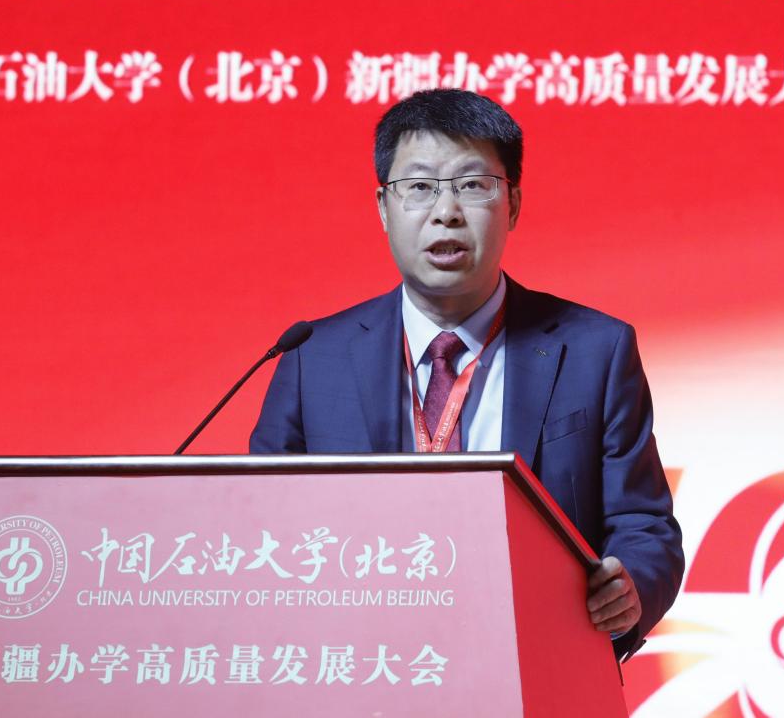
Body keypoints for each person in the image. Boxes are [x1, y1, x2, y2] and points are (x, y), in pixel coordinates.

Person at [250, 89, 682, 659]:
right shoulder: (313, 357)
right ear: (383, 207)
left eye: (473, 185)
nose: (446, 211)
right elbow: (261, 523)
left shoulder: (595, 350)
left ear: (513, 204)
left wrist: (630, 587)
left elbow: (644, 525)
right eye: (419, 187)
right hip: (357, 666)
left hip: (532, 662)